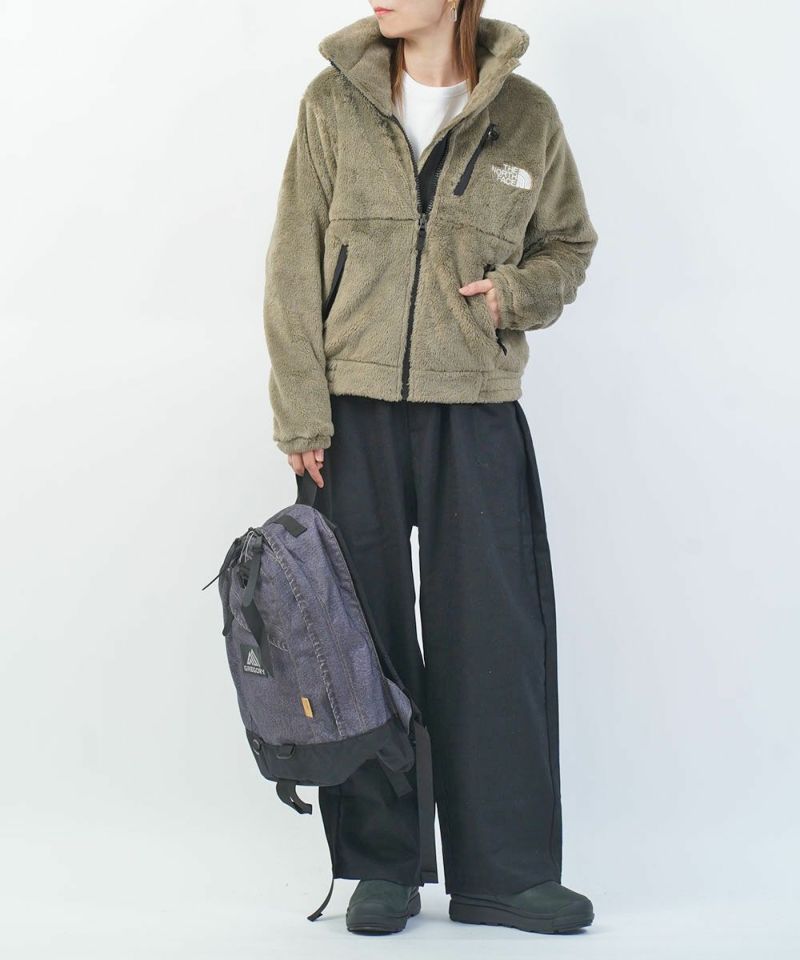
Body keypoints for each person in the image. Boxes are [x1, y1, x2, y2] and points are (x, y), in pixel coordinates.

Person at [262, 0, 598, 936]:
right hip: (349, 416)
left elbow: (569, 243)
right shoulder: (331, 103)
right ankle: (383, 869)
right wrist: (300, 408)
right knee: (357, 644)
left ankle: (507, 875)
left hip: (476, 411)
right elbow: (292, 262)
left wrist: (515, 296)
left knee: (494, 640)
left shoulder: (525, 113)